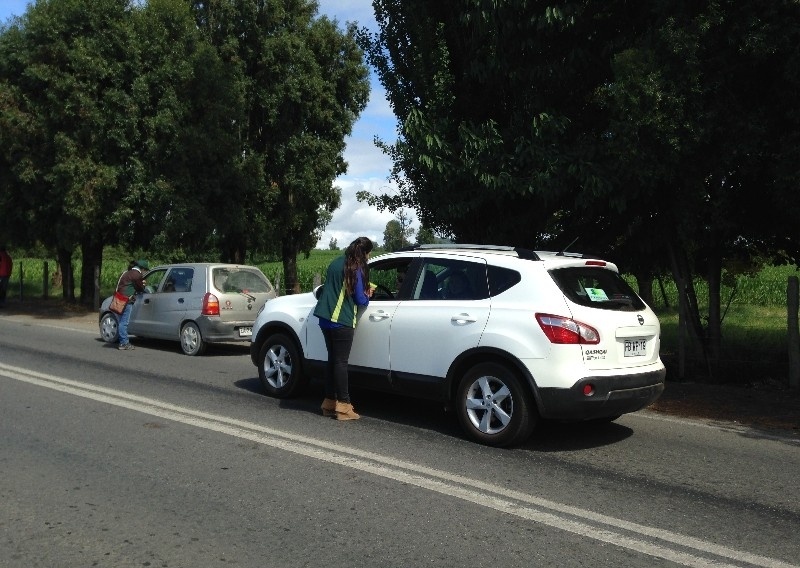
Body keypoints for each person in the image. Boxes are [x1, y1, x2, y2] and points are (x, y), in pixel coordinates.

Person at [313, 237, 374, 420]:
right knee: (341, 363)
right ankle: (344, 407)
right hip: (341, 319)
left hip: (325, 318)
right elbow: (360, 300)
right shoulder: (355, 267)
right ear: (364, 252)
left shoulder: (336, 262)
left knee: (332, 361)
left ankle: (329, 403)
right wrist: (368, 294)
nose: (369, 257)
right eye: (369, 254)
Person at [116, 259, 149, 350]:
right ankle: (124, 343)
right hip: (127, 299)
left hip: (119, 298)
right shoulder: (137, 275)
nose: (145, 272)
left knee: (121, 321)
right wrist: (144, 284)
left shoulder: (126, 273)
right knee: (124, 322)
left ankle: (122, 341)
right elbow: (140, 289)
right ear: (142, 268)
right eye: (145, 270)